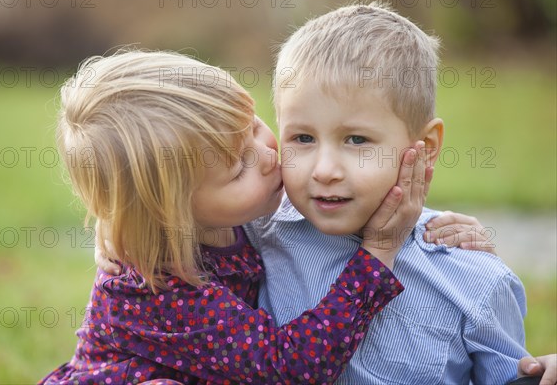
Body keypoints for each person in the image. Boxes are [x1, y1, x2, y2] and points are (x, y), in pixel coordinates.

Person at [40, 49, 435, 384]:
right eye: (238, 169)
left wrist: (430, 224)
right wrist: (379, 252)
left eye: (255, 128)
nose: (267, 156)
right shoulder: (155, 289)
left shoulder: (220, 214)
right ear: (170, 213)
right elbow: (289, 367)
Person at [240, 2, 556, 384]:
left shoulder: (472, 280)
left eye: (356, 140)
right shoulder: (256, 237)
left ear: (426, 146)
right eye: (302, 138)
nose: (323, 170)